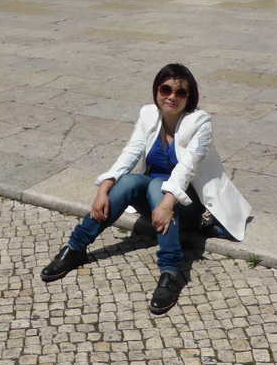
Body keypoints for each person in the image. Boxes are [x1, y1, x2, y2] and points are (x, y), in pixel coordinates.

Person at [40, 63, 251, 315]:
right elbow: (131, 151)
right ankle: (75, 248)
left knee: (155, 186)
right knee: (128, 181)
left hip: (186, 204)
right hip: (157, 203)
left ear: (189, 97)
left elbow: (188, 167)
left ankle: (171, 271)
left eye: (180, 92)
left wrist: (166, 204)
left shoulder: (200, 122)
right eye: (165, 89)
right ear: (157, 90)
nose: (171, 97)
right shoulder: (148, 114)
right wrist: (103, 188)